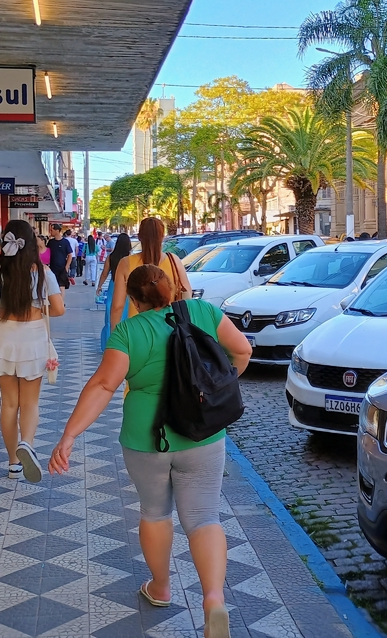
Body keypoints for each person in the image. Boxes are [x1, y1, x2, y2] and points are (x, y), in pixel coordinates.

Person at [49, 265, 251, 638]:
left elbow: (104, 385)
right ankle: (213, 599)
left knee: (155, 513)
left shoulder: (129, 332)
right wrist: (214, 389)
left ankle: (160, 587)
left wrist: (69, 436)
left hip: (148, 439)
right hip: (203, 434)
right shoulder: (204, 313)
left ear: (134, 299)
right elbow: (242, 350)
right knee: (205, 517)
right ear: (172, 288)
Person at [0, 220, 65, 482]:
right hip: (33, 337)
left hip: (5, 336)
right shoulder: (43, 272)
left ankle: (12, 463)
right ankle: (26, 443)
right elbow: (59, 309)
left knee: (9, 403)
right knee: (30, 402)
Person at [111, 218, 192, 331]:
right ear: (162, 237)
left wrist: (115, 336)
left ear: (139, 236)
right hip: (170, 330)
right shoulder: (174, 261)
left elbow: (117, 306)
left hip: (138, 331)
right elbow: (187, 295)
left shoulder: (126, 263)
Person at [97, 233, 132, 351]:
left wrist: (99, 286)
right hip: (128, 288)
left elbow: (104, 274)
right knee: (125, 314)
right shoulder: (130, 259)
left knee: (110, 314)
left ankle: (108, 344)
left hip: (113, 285)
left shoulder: (111, 257)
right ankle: (123, 344)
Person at [46, 224, 72, 297]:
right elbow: (47, 253)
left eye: (52, 230)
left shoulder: (65, 242)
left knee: (61, 286)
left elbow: (70, 255)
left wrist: (66, 267)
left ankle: (61, 303)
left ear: (57, 231)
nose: (51, 231)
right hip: (52, 267)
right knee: (53, 286)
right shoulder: (51, 242)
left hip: (62, 268)